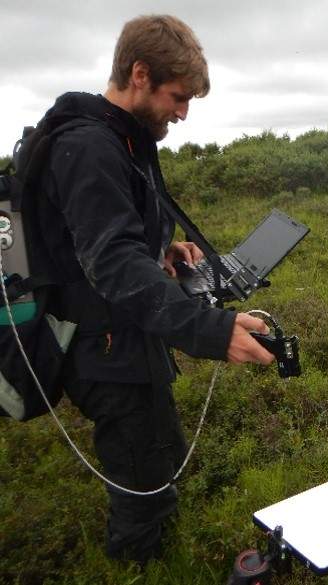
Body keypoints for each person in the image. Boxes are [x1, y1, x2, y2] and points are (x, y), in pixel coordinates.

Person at [30, 15, 275, 563]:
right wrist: (211, 329)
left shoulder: (126, 137)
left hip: (128, 332)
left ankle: (161, 539)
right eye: (178, 97)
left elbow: (106, 236)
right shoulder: (89, 147)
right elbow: (113, 263)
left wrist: (163, 249)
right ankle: (139, 564)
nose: (183, 113)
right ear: (140, 74)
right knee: (141, 477)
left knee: (160, 449)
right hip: (104, 350)